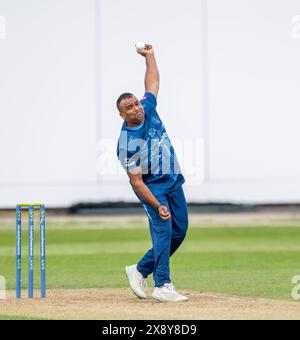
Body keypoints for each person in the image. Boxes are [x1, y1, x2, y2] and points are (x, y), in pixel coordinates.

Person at [116, 44, 189, 302]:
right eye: (130, 108)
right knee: (163, 230)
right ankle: (162, 285)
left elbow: (153, 82)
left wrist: (150, 57)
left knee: (180, 231)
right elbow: (136, 182)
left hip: (172, 180)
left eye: (136, 104)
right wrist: (156, 204)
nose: (137, 108)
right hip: (153, 187)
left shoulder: (148, 107)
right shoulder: (127, 143)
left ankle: (139, 269)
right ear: (122, 114)